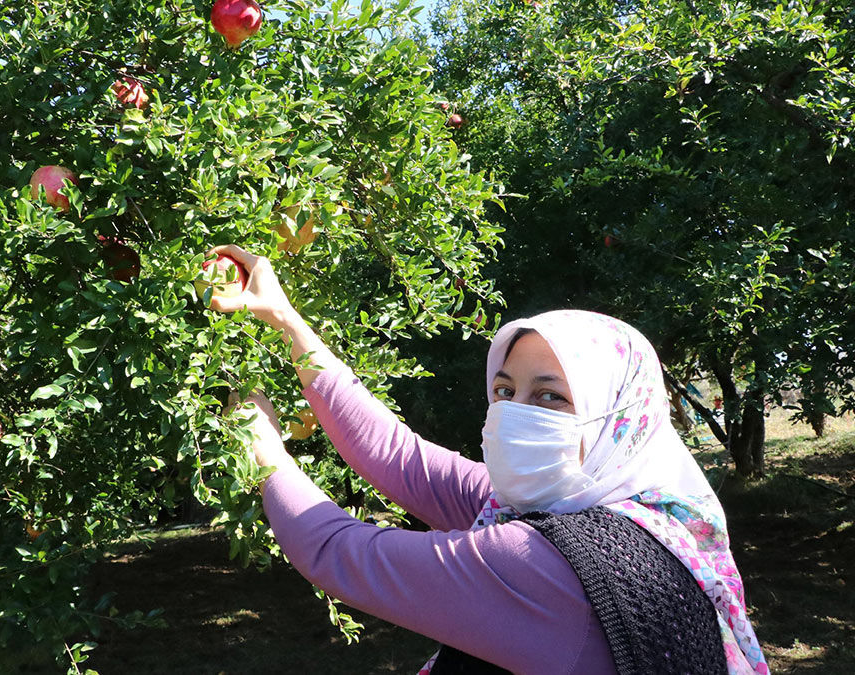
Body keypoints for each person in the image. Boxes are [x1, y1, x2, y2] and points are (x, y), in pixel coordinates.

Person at [207, 244, 769, 675]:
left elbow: (339, 553)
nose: (514, 413)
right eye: (505, 390)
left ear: (620, 419)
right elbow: (399, 456)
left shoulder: (544, 562)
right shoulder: (631, 516)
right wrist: (284, 319)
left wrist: (263, 448)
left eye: (551, 396)